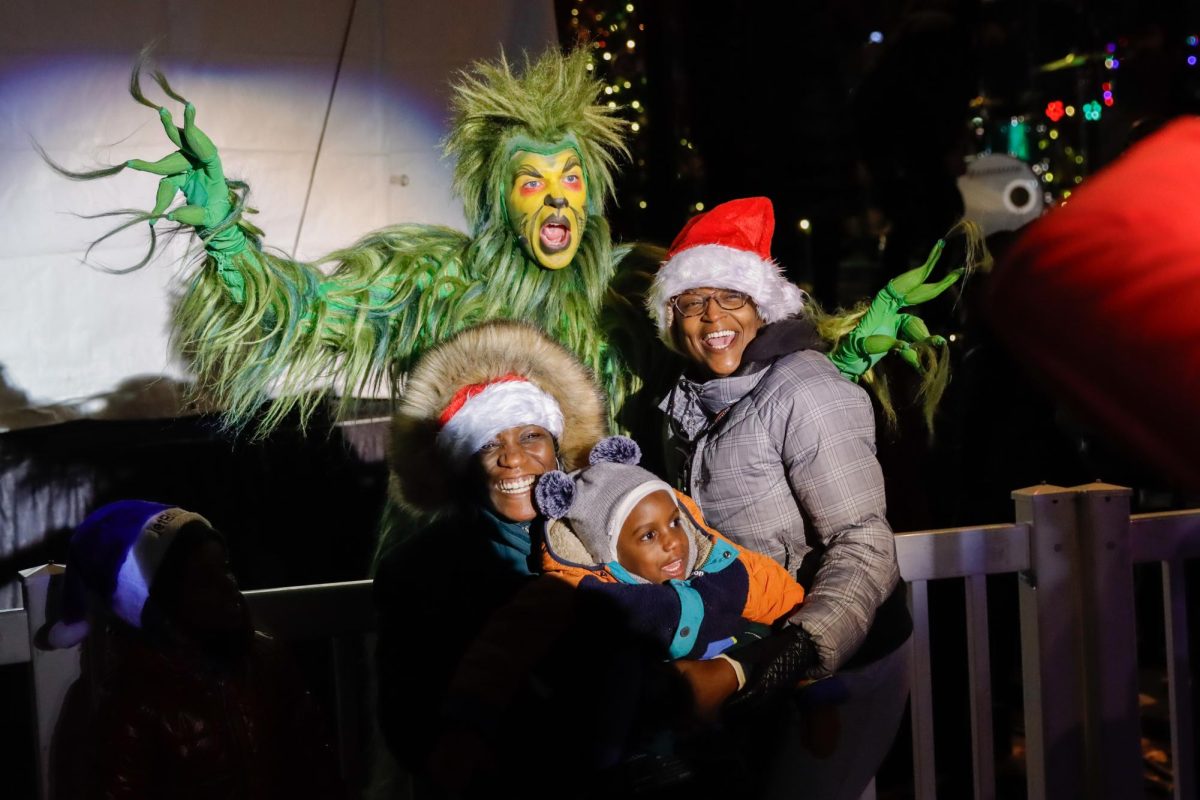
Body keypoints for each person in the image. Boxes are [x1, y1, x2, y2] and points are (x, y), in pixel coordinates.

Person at [647, 196, 914, 799]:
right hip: (744, 663)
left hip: (834, 662)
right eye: (691, 302)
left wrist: (795, 652)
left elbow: (864, 543)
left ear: (762, 304)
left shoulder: (806, 391)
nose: (711, 317)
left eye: (731, 297)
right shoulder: (687, 398)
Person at [47, 500, 342, 800]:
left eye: (225, 568)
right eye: (203, 580)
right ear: (167, 600)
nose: (227, 585)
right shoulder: (135, 697)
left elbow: (316, 765)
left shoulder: (265, 659)